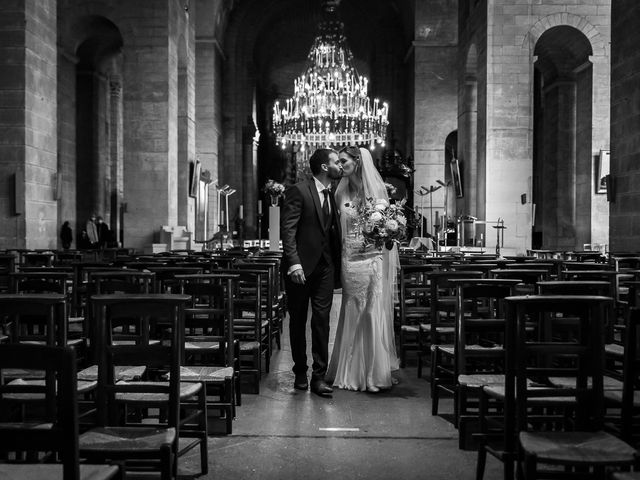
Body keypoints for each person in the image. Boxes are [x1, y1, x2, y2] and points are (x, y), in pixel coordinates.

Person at [326, 146, 400, 392]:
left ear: (357, 162)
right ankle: (347, 370)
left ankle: (371, 374)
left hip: (373, 258)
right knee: (353, 310)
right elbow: (335, 228)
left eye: (343, 160)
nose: (339, 165)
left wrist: (387, 229)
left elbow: (386, 231)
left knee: (371, 312)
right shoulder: (340, 192)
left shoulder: (377, 192)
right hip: (350, 259)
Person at [281, 148, 343, 397]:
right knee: (297, 321)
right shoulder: (299, 190)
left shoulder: (334, 194)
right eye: (337, 161)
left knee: (321, 320)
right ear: (325, 167)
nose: (340, 165)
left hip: (326, 267)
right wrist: (293, 262)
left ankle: (319, 376)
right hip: (300, 268)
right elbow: (288, 229)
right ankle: (299, 372)